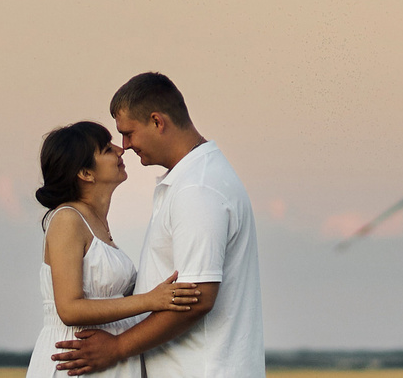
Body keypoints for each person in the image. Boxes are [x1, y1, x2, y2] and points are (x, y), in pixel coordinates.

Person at [54, 73, 263, 378]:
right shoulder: (194, 181)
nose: (124, 145)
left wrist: (117, 347)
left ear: (157, 121)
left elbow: (198, 298)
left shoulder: (197, 190)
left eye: (128, 133)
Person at [29, 119, 205, 378]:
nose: (121, 150)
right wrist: (149, 300)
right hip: (76, 358)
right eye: (106, 148)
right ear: (85, 173)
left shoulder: (97, 223)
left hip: (109, 361)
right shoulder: (67, 219)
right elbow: (68, 308)